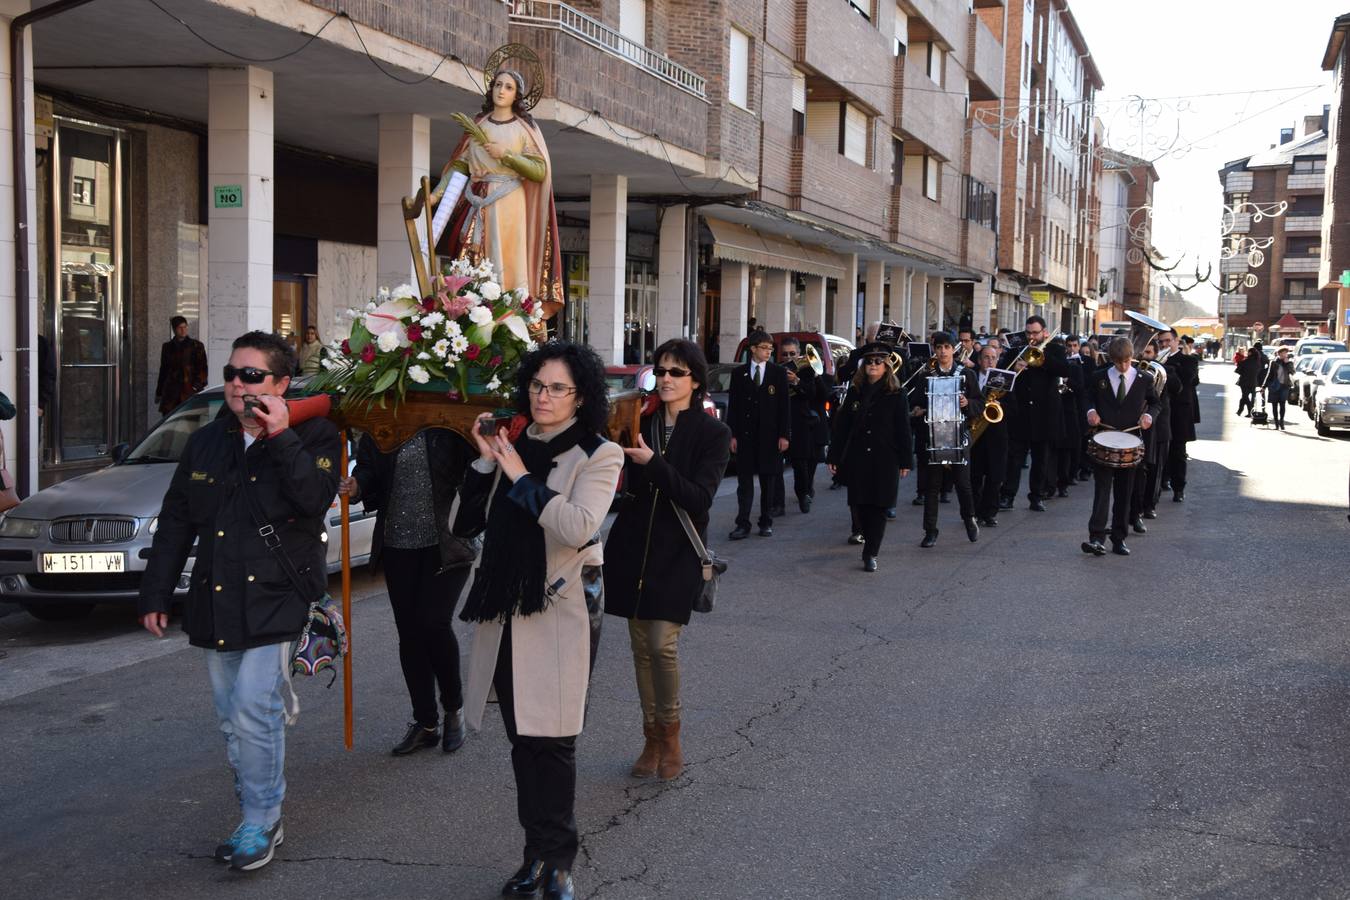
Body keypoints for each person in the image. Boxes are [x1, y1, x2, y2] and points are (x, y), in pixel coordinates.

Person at [138, 331, 339, 871]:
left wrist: (280, 436)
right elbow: (177, 518)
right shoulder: (207, 440)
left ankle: (261, 818)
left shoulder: (316, 434)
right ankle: (254, 806)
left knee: (254, 708)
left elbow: (315, 500)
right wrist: (156, 593)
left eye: (250, 375)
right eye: (231, 373)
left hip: (279, 599)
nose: (236, 383)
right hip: (216, 597)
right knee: (233, 717)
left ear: (279, 384)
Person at [452, 342, 621, 900]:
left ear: (581, 397)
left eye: (557, 389)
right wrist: (484, 459)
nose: (543, 397)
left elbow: (578, 526)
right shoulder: (513, 445)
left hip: (559, 610)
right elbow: (462, 523)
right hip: (505, 611)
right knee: (524, 743)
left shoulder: (600, 454)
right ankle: (534, 856)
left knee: (553, 743)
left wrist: (523, 477)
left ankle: (559, 863)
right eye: (537, 385)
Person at [604, 339, 731, 782]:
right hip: (633, 545)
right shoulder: (641, 420)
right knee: (640, 648)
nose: (666, 379)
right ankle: (651, 737)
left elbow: (699, 496)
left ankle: (672, 735)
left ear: (695, 380)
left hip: (678, 550)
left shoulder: (713, 433)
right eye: (661, 370)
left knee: (662, 644)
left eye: (676, 372)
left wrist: (653, 463)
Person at [339, 428, 477, 755]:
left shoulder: (446, 423)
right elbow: (369, 468)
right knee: (410, 633)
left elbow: (473, 465)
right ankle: (426, 723)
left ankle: (454, 708)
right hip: (398, 544)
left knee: (434, 622)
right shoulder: (386, 421)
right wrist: (357, 485)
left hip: (447, 543)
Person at [429, 66, 562, 316]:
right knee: (466, 251)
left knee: (507, 260)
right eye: (498, 85)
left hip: (508, 201)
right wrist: (438, 193)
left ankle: (506, 311)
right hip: (476, 197)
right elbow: (461, 164)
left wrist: (508, 156)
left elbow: (539, 170)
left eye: (508, 87)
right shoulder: (478, 124)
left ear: (517, 96)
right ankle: (464, 310)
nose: (501, 91)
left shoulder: (524, 129)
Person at [827, 343, 913, 572]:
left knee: (880, 506)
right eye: (869, 362)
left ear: (886, 366)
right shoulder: (855, 391)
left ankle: (871, 552)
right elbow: (842, 427)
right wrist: (833, 456)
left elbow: (903, 428)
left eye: (878, 362)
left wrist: (906, 460)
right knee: (860, 504)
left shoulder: (897, 393)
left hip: (885, 458)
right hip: (858, 457)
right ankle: (864, 534)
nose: (873, 365)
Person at [1082, 337, 1159, 557]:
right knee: (1102, 491)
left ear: (1132, 357)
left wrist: (1148, 416)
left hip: (1130, 443)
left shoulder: (1144, 378)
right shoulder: (1099, 377)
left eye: (1126, 362)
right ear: (1112, 360)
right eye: (1118, 363)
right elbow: (1087, 398)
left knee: (1125, 493)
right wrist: (1090, 412)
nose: (1123, 367)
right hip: (1104, 440)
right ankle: (1096, 538)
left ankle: (1119, 538)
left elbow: (1156, 403)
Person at [911, 332, 980, 547]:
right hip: (934, 437)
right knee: (932, 486)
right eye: (938, 347)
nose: (942, 351)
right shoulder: (925, 376)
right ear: (934, 349)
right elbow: (915, 404)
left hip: (958, 433)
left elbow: (981, 402)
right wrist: (918, 410)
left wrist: (967, 403)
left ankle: (969, 519)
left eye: (946, 347)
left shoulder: (966, 374)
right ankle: (930, 531)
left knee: (962, 484)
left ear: (953, 349)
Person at [999, 316, 1072, 511]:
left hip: (1045, 413)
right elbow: (1001, 374)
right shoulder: (1016, 350)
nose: (1031, 337)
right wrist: (1014, 368)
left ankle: (1036, 496)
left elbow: (1065, 369)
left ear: (1044, 333)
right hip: (1020, 412)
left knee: (1041, 459)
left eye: (1035, 333)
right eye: (1028, 333)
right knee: (1014, 458)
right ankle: (1007, 495)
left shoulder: (1055, 349)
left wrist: (1043, 360)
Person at [727, 330, 790, 539]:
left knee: (768, 481)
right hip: (745, 436)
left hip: (770, 437)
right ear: (752, 349)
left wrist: (784, 435)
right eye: (764, 348)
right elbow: (733, 406)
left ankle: (766, 521)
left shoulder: (777, 373)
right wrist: (732, 435)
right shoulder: (739, 374)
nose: (768, 352)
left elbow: (784, 407)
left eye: (770, 349)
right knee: (744, 482)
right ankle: (742, 523)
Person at [778, 337, 829, 512]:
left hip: (801, 423)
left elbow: (813, 394)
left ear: (799, 354)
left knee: (800, 462)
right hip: (782, 421)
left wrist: (796, 381)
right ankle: (778, 503)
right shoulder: (777, 370)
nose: (789, 357)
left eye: (792, 353)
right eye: (785, 354)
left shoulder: (807, 371)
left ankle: (803, 494)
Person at [1131, 342, 1177, 529]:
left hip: (1159, 427)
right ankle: (1136, 510)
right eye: (1143, 352)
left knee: (1154, 469)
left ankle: (1149, 505)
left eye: (1149, 353)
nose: (1145, 357)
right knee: (1138, 472)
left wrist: (1161, 370)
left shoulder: (1167, 370)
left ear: (1156, 354)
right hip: (1136, 427)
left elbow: (1177, 388)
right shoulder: (1133, 369)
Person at [971, 345, 1014, 527]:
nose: (990, 361)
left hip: (997, 435)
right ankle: (973, 512)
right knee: (974, 476)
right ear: (979, 360)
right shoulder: (970, 377)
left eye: (993, 357)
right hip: (975, 434)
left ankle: (989, 513)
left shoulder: (1005, 380)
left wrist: (1000, 404)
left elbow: (1015, 408)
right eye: (986, 357)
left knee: (995, 477)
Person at [1165, 334, 1201, 500]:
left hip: (1179, 412)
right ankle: (1162, 481)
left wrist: (1169, 365)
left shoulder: (1188, 360)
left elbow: (1189, 379)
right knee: (1160, 451)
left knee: (1178, 451)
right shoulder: (1155, 359)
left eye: (1167, 341)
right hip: (1160, 411)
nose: (1164, 344)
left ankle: (1178, 488)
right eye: (1161, 341)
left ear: (1176, 341)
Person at [154, 315, 208, 415]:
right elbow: (164, 370)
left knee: (190, 424)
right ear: (174, 330)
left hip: (190, 391)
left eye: (185, 327)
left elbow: (203, 367)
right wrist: (159, 391)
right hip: (171, 393)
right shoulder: (167, 347)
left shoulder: (196, 346)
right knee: (170, 424)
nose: (183, 330)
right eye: (180, 328)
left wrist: (196, 386)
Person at [1263, 346, 1295, 431]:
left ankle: (1282, 422)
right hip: (1274, 386)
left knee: (1282, 404)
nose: (1285, 355)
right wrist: (1264, 386)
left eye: (1286, 353)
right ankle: (1276, 423)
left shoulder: (1289, 362)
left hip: (1284, 386)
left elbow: (1292, 372)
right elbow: (1269, 374)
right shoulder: (1274, 362)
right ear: (1279, 353)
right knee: (1274, 405)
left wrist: (1287, 363)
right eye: (1284, 353)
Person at [1236, 343, 1265, 416]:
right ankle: (1241, 410)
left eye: (1248, 352)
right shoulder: (1258, 363)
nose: (1247, 353)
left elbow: (1238, 370)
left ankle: (1249, 410)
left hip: (1244, 382)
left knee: (1245, 397)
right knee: (1245, 397)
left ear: (1251, 353)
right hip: (1253, 382)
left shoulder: (1245, 361)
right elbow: (1259, 371)